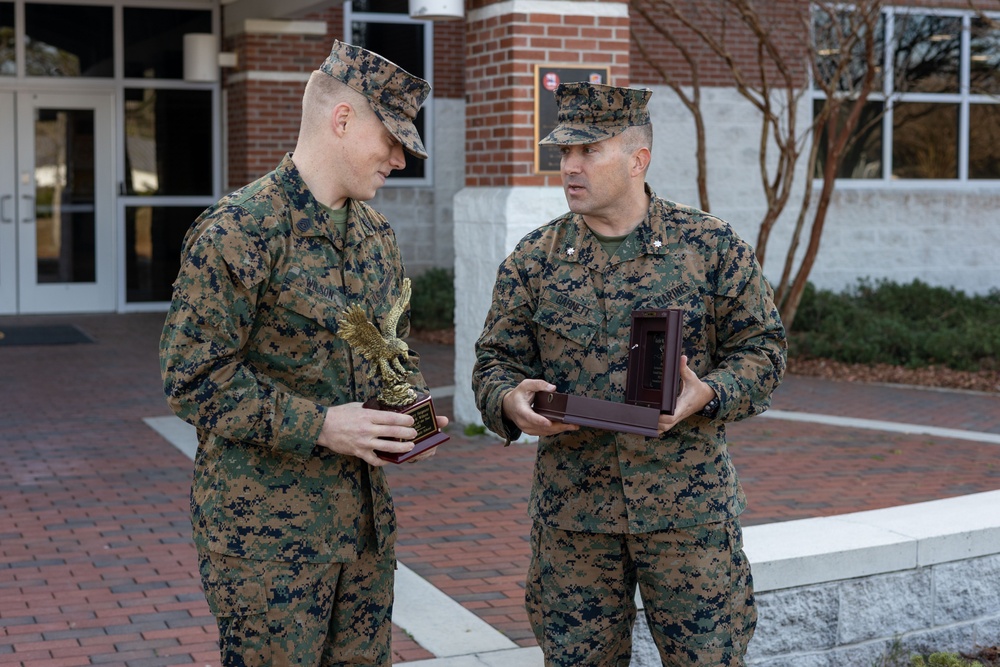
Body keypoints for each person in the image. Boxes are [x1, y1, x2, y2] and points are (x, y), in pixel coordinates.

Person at [472, 82, 786, 666]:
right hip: (575, 520)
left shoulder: (710, 248)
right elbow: (494, 363)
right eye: (564, 154)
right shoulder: (533, 261)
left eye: (588, 151)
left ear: (638, 159)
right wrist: (510, 401)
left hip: (687, 515)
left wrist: (710, 394)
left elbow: (763, 350)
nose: (570, 166)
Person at [159, 40, 446, 666]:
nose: (400, 159)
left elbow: (388, 352)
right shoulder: (239, 231)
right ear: (341, 120)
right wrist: (320, 425)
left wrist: (406, 420)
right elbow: (193, 378)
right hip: (268, 540)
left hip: (365, 534)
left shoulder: (376, 237)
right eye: (391, 139)